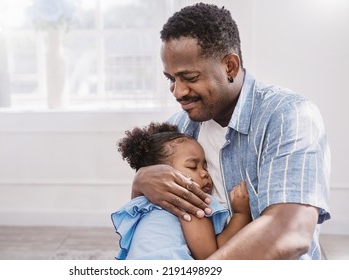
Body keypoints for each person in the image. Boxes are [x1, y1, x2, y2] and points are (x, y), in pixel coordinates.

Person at [131, 3, 331, 259]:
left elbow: (291, 231)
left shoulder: (289, 115)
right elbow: (151, 219)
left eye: (189, 77)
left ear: (230, 67)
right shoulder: (180, 128)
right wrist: (140, 183)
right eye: (171, 79)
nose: (178, 92)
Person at [111, 122, 251, 259]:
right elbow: (209, 256)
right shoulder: (187, 201)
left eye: (205, 167)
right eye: (192, 167)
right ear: (159, 175)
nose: (204, 174)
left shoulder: (142, 203)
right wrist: (241, 214)